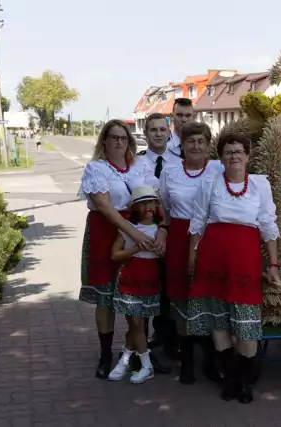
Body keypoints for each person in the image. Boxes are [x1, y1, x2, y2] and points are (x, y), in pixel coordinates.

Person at [187, 132, 281, 404]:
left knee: (246, 327)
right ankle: (231, 381)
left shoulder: (259, 186)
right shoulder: (211, 183)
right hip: (212, 261)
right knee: (219, 323)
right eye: (228, 152)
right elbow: (198, 220)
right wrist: (192, 256)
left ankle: (243, 379)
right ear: (221, 157)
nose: (233, 157)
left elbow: (268, 225)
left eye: (239, 151)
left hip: (245, 263)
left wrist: (273, 265)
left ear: (248, 155)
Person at [77, 119, 152, 380]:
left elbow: (152, 198)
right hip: (105, 232)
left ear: (130, 142)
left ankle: (137, 354)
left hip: (134, 229)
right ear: (105, 141)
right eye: (114, 137)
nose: (119, 142)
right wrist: (133, 233)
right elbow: (105, 206)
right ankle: (105, 354)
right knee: (106, 298)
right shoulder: (96, 169)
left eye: (123, 137)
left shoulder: (140, 167)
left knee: (137, 296)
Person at [158, 122, 224, 384]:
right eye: (190, 141)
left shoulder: (219, 169)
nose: (196, 146)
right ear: (182, 145)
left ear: (209, 145)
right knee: (182, 300)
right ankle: (186, 362)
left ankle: (210, 361)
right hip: (179, 237)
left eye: (201, 141)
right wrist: (163, 229)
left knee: (208, 299)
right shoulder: (170, 171)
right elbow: (164, 205)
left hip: (211, 237)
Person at [131, 112, 180, 370]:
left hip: (174, 231)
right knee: (143, 287)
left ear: (169, 132)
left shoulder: (180, 161)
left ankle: (169, 339)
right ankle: (142, 347)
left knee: (169, 287)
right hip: (144, 233)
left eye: (162, 129)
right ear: (146, 133)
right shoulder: (136, 162)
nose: (158, 133)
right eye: (153, 130)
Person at [108, 184, 162, 384]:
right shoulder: (128, 228)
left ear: (157, 205)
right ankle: (147, 365)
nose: (148, 206)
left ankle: (125, 358)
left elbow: (165, 254)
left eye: (151, 202)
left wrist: (160, 249)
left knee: (137, 324)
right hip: (130, 280)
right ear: (135, 207)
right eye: (143, 203)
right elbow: (114, 254)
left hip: (149, 281)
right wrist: (134, 250)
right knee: (135, 322)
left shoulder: (159, 230)